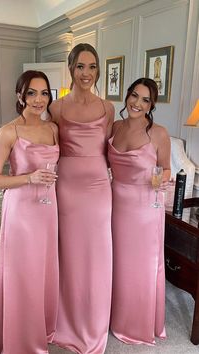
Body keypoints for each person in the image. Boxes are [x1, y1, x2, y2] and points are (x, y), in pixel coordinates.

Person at [0, 70, 59, 354]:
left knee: (42, 271)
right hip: (22, 212)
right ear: (20, 96)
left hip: (48, 209)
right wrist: (29, 178)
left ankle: (40, 328)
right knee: (23, 273)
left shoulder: (53, 129)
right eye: (31, 92)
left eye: (44, 93)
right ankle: (19, 340)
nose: (39, 99)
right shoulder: (8, 131)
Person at [50, 43, 115, 354]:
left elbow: (113, 151)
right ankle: (66, 320)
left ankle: (95, 321)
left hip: (99, 188)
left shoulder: (108, 107)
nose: (86, 73)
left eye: (92, 67)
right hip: (67, 187)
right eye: (80, 66)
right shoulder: (56, 108)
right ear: (71, 68)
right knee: (70, 255)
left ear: (98, 70)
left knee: (97, 255)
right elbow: (46, 147)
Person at [108, 77, 171, 345]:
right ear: (127, 96)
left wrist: (162, 178)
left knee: (141, 268)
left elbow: (166, 168)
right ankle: (114, 317)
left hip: (145, 209)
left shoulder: (158, 133)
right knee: (117, 265)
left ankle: (136, 324)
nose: (137, 103)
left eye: (145, 99)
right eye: (134, 95)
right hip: (115, 205)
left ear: (151, 104)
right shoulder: (115, 126)